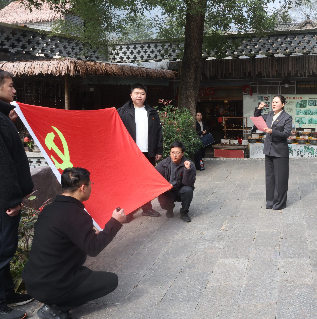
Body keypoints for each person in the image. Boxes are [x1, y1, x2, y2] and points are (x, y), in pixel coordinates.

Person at [23, 167, 126, 319]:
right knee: (110, 281)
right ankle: (54, 309)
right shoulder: (76, 214)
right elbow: (93, 248)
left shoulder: (49, 209)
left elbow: (64, 236)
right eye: (90, 184)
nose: (91, 188)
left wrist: (90, 235)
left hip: (32, 282)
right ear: (83, 188)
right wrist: (115, 222)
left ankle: (55, 300)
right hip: (52, 286)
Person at [0, 68, 35, 319]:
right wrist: (10, 200)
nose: (15, 90)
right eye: (11, 85)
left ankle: (6, 295)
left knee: (5, 250)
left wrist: (9, 121)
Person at [117, 84, 163, 221]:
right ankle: (130, 210)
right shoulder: (122, 112)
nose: (139, 96)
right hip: (130, 153)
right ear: (131, 95)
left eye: (142, 94)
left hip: (148, 152)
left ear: (145, 96)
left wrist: (158, 150)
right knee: (130, 182)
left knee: (146, 181)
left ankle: (147, 208)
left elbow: (158, 132)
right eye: (136, 93)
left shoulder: (152, 112)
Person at [254, 95, 293, 210]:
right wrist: (259, 108)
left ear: (283, 104)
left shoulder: (287, 117)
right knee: (269, 178)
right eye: (273, 102)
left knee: (280, 179)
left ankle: (279, 203)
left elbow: (286, 134)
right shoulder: (270, 114)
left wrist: (272, 131)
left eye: (276, 102)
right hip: (269, 150)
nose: (274, 104)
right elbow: (257, 119)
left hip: (280, 151)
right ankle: (270, 202)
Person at [156, 141, 196, 222]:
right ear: (170, 153)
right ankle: (169, 209)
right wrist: (166, 186)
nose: (174, 155)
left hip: (181, 191)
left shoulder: (189, 164)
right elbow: (156, 178)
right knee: (162, 195)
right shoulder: (163, 164)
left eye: (177, 153)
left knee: (188, 190)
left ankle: (184, 212)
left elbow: (188, 183)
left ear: (182, 153)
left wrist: (187, 170)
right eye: (172, 152)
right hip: (168, 190)